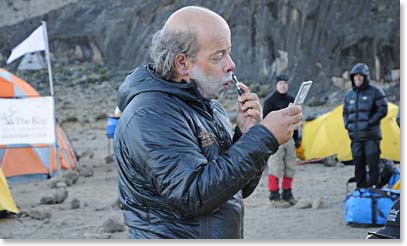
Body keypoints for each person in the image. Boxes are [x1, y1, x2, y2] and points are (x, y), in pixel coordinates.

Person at [114, 6, 303, 239]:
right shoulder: (148, 114)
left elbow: (236, 189)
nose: (231, 64)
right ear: (182, 63)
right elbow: (194, 195)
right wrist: (264, 137)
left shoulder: (209, 105)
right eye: (218, 56)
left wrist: (246, 134)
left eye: (229, 52)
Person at [343, 63, 388, 188]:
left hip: (371, 137)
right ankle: (361, 190)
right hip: (355, 138)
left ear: (365, 77)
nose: (357, 78)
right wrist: (347, 125)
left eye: (360, 76)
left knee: (373, 165)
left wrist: (370, 122)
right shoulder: (349, 95)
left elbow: (383, 109)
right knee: (358, 166)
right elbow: (345, 112)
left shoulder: (375, 91)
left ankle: (374, 190)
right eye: (355, 76)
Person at [262, 74, 300, 207]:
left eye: (285, 83)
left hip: (289, 139)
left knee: (290, 167)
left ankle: (287, 194)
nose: (283, 85)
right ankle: (274, 196)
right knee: (275, 167)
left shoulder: (291, 100)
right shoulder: (270, 101)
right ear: (276, 85)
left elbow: (296, 120)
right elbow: (264, 122)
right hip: (275, 139)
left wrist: (297, 138)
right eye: (280, 83)